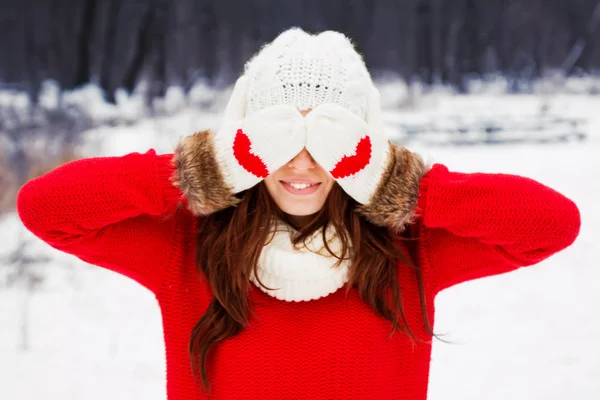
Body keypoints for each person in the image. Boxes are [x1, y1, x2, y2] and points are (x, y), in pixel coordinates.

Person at [16, 28, 581, 400]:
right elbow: (45, 209)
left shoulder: (408, 248)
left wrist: (400, 186)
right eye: (278, 134)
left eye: (328, 137)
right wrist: (204, 169)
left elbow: (552, 224)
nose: (302, 162)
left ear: (364, 144)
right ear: (244, 141)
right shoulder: (187, 246)